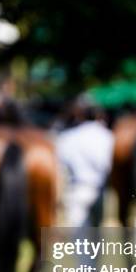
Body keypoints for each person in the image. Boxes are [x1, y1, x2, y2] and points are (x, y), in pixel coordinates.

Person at [57, 97, 114, 227]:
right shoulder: (107, 136)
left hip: (76, 190)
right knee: (96, 237)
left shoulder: (67, 137)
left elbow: (60, 167)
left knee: (79, 239)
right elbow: (109, 165)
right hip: (99, 190)